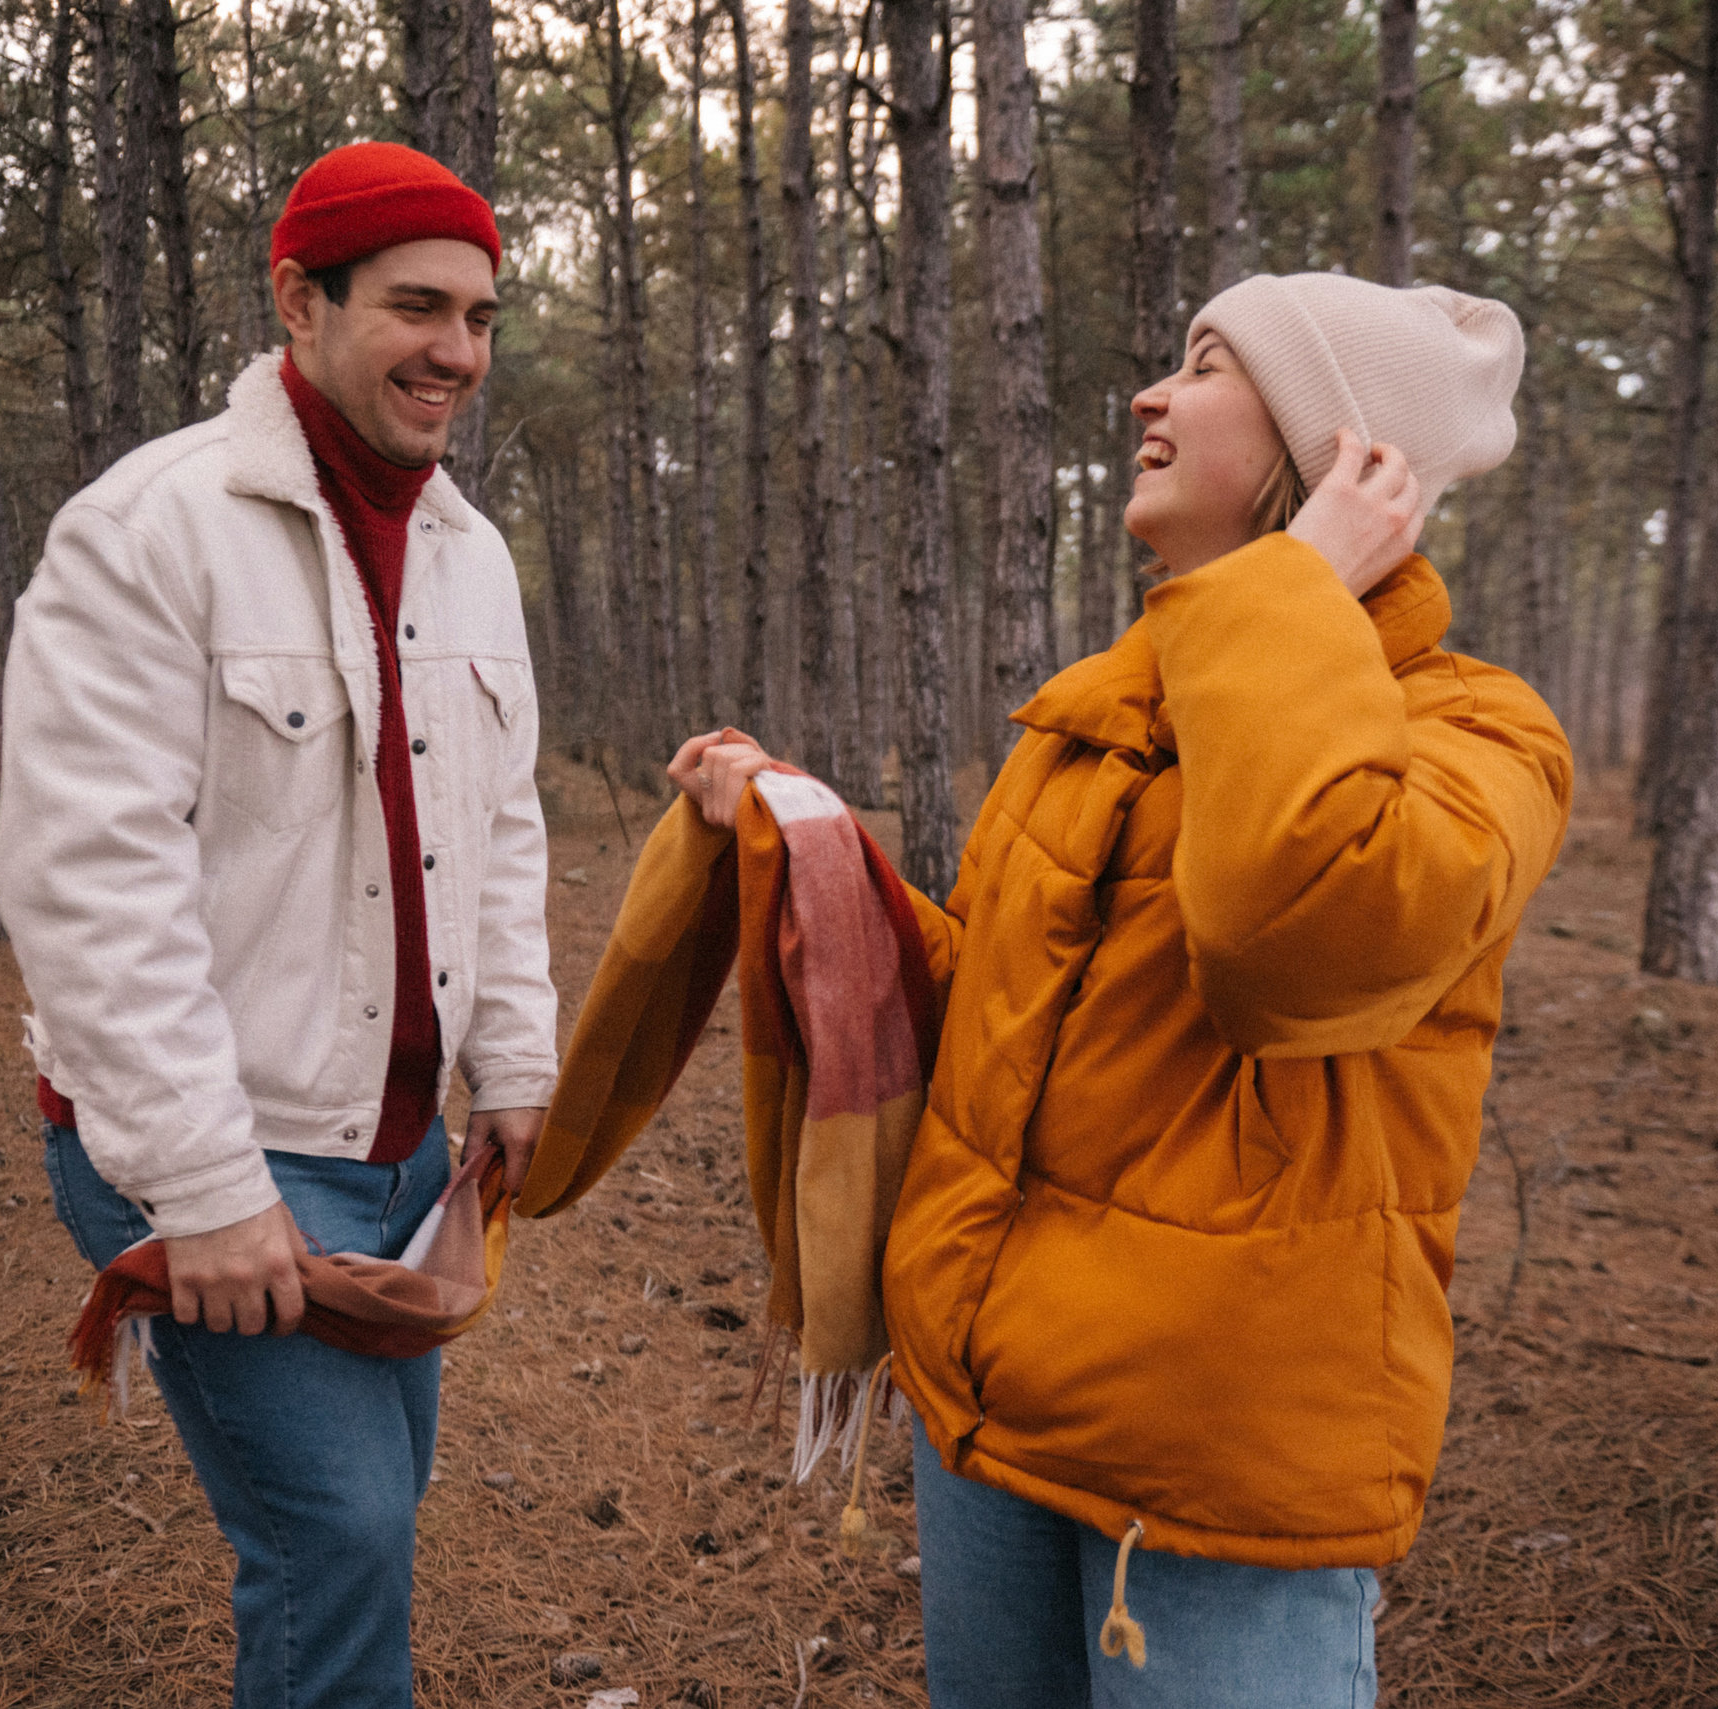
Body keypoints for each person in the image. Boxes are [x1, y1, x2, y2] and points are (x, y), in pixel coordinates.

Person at [671, 272, 1571, 1706]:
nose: (1151, 395)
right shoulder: (1097, 711)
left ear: (1338, 453)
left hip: (1212, 1468)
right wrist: (810, 841)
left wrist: (1286, 593)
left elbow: (1295, 947)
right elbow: (994, 1014)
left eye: (1209, 367)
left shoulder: (1476, 738)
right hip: (990, 1406)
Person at [0, 142, 556, 1709]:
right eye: (419, 306)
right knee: (341, 1533)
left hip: (405, 1161)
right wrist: (209, 1185)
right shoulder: (149, 532)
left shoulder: (471, 552)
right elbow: (88, 885)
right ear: (299, 302)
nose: (460, 350)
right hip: (218, 1153)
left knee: (372, 1522)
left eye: (484, 315)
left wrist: (514, 1057)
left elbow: (498, 831)